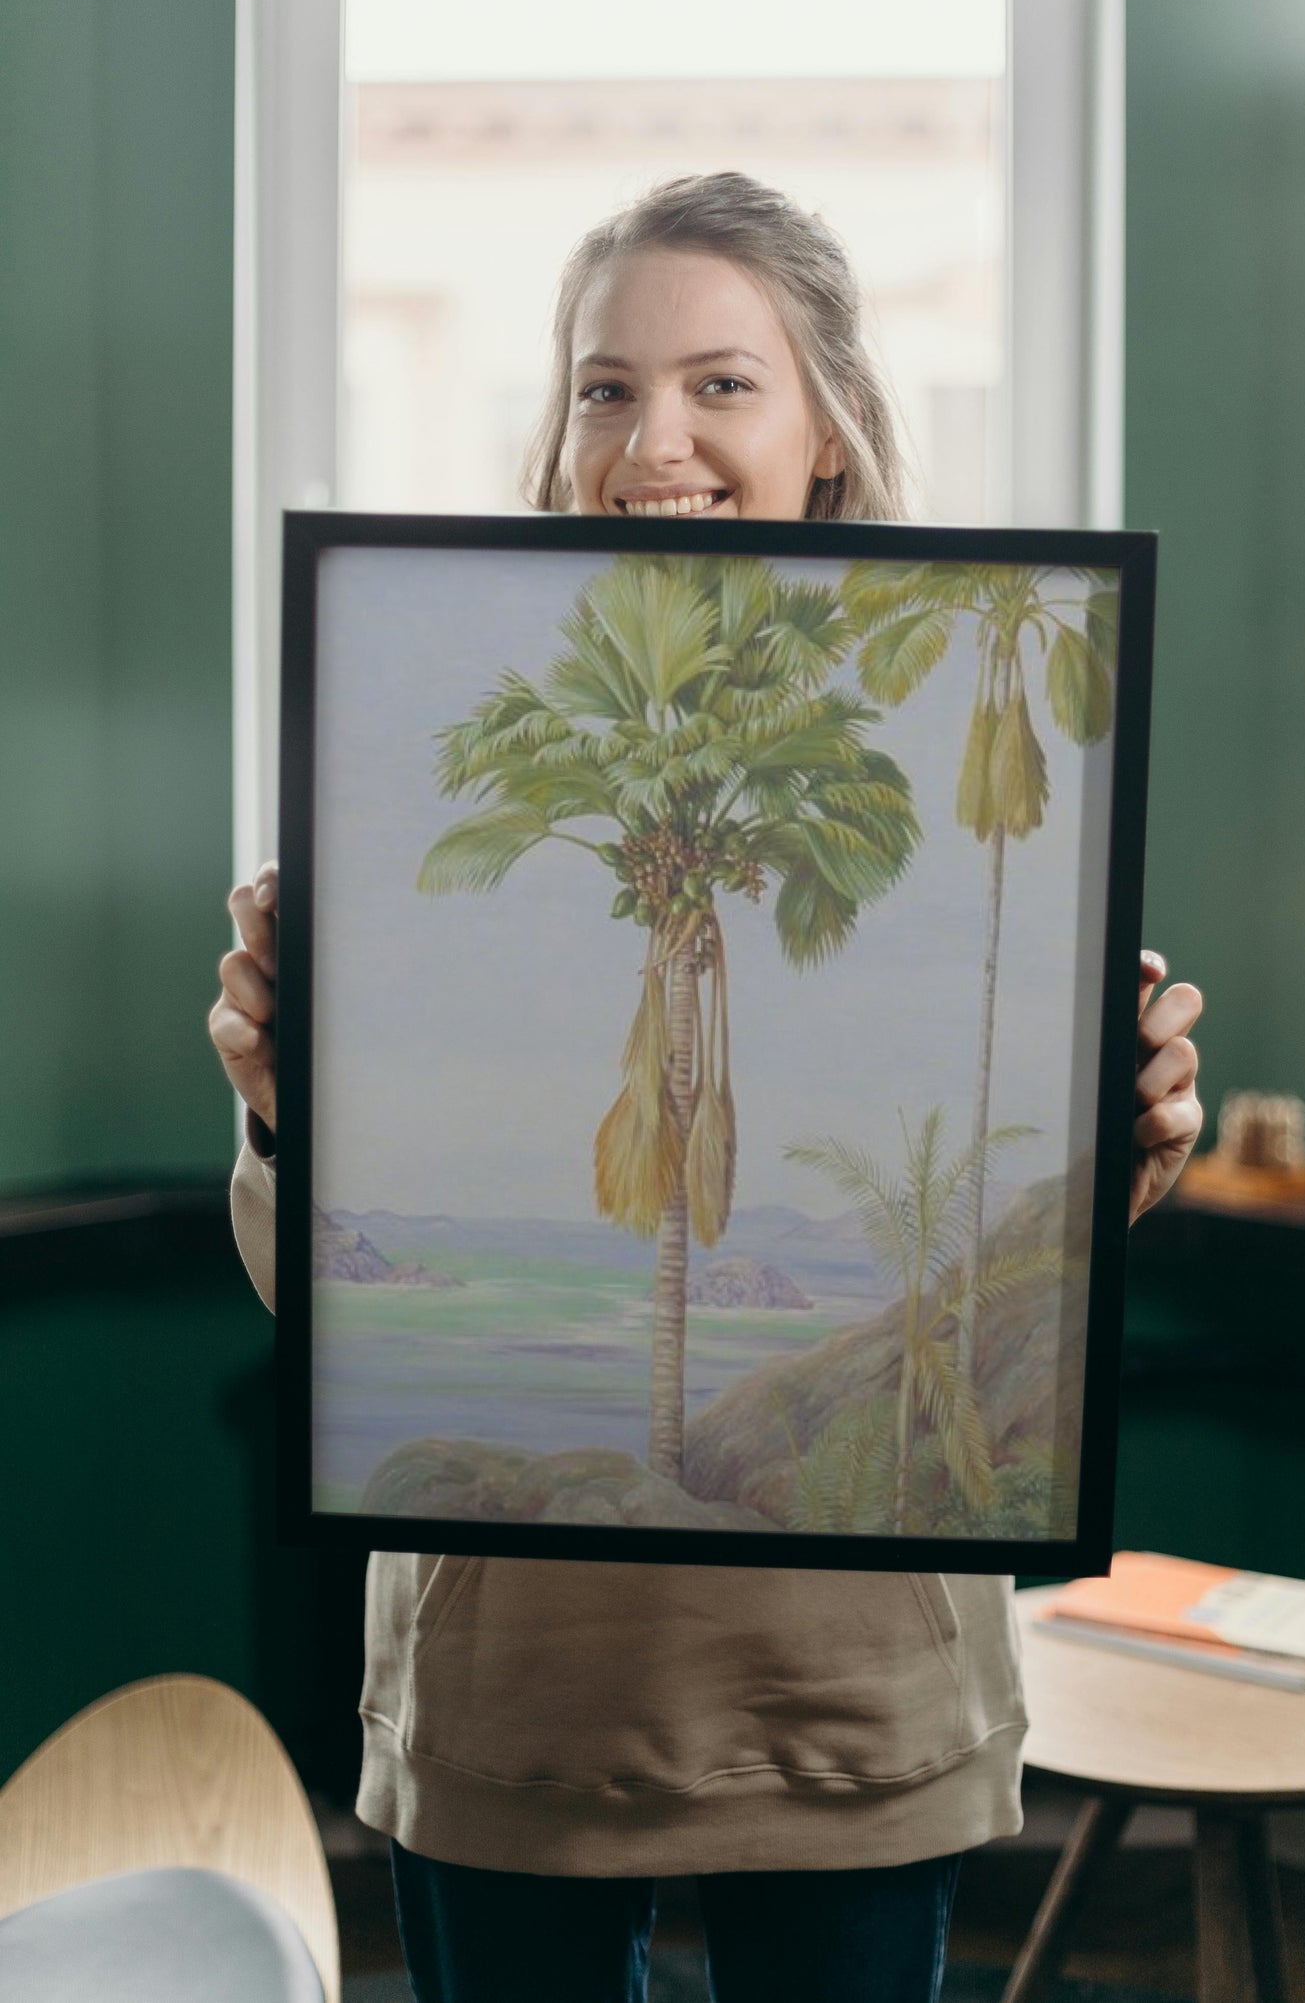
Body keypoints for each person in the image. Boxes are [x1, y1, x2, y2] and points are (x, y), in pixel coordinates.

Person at [210, 172, 1204, 2003]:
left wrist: (1120, 1145)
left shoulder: (962, 747)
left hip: (851, 1696)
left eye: (719, 383)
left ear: (827, 425)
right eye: (603, 386)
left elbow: (1023, 1261)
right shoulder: (422, 719)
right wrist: (283, 1112)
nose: (649, 437)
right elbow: (325, 1302)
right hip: (514, 1698)